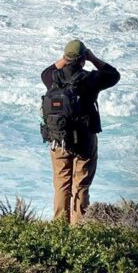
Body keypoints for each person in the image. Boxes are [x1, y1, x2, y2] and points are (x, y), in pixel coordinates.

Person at [41, 40, 120, 225]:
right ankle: (79, 229)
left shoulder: (52, 78)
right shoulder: (90, 79)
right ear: (83, 59)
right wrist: (92, 58)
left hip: (58, 140)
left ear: (66, 58)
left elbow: (44, 72)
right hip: (84, 142)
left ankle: (60, 227)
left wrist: (65, 58)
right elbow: (114, 75)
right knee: (81, 185)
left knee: (62, 185)